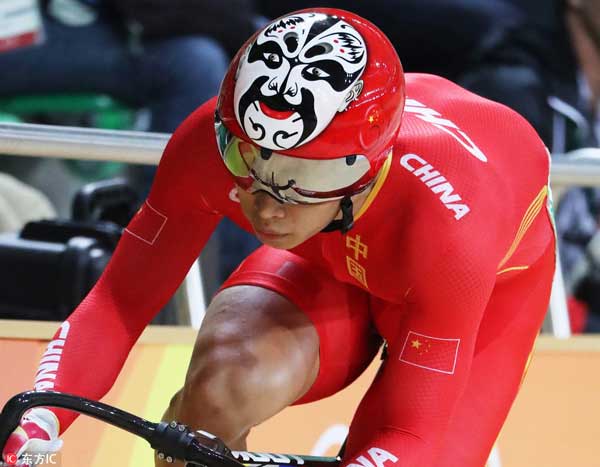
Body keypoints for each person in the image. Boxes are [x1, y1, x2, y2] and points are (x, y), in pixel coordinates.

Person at [2, 8, 556, 467]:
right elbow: (120, 301)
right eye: (248, 158)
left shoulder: (452, 227)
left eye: (302, 177)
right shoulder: (213, 144)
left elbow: (410, 434)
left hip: (481, 291)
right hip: (335, 249)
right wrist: (38, 419)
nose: (265, 203)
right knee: (216, 397)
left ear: (364, 166)